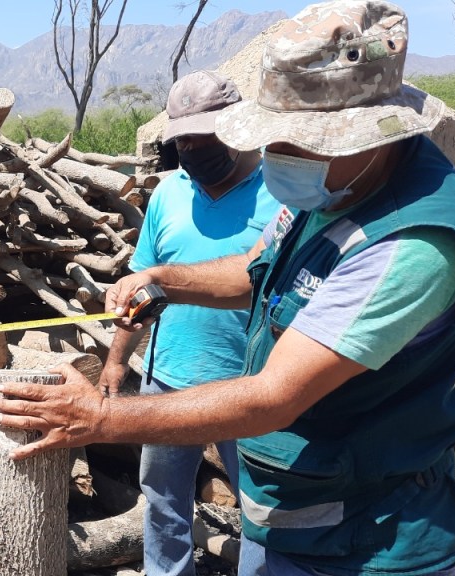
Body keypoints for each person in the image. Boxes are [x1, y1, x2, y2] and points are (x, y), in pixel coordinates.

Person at [0, 2, 455, 575]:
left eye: (294, 139)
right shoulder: (332, 189)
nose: (274, 156)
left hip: (364, 540)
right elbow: (252, 271)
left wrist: (101, 419)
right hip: (298, 514)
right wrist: (165, 280)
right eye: (271, 138)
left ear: (363, 135)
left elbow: (274, 396)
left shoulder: (413, 241)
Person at [99, 70, 276, 576]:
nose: (195, 150)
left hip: (252, 384)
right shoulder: (168, 195)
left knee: (264, 510)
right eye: (185, 141)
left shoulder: (282, 192)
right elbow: (141, 289)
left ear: (239, 127)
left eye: (206, 138)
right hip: (167, 379)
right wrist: (116, 361)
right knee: (162, 497)